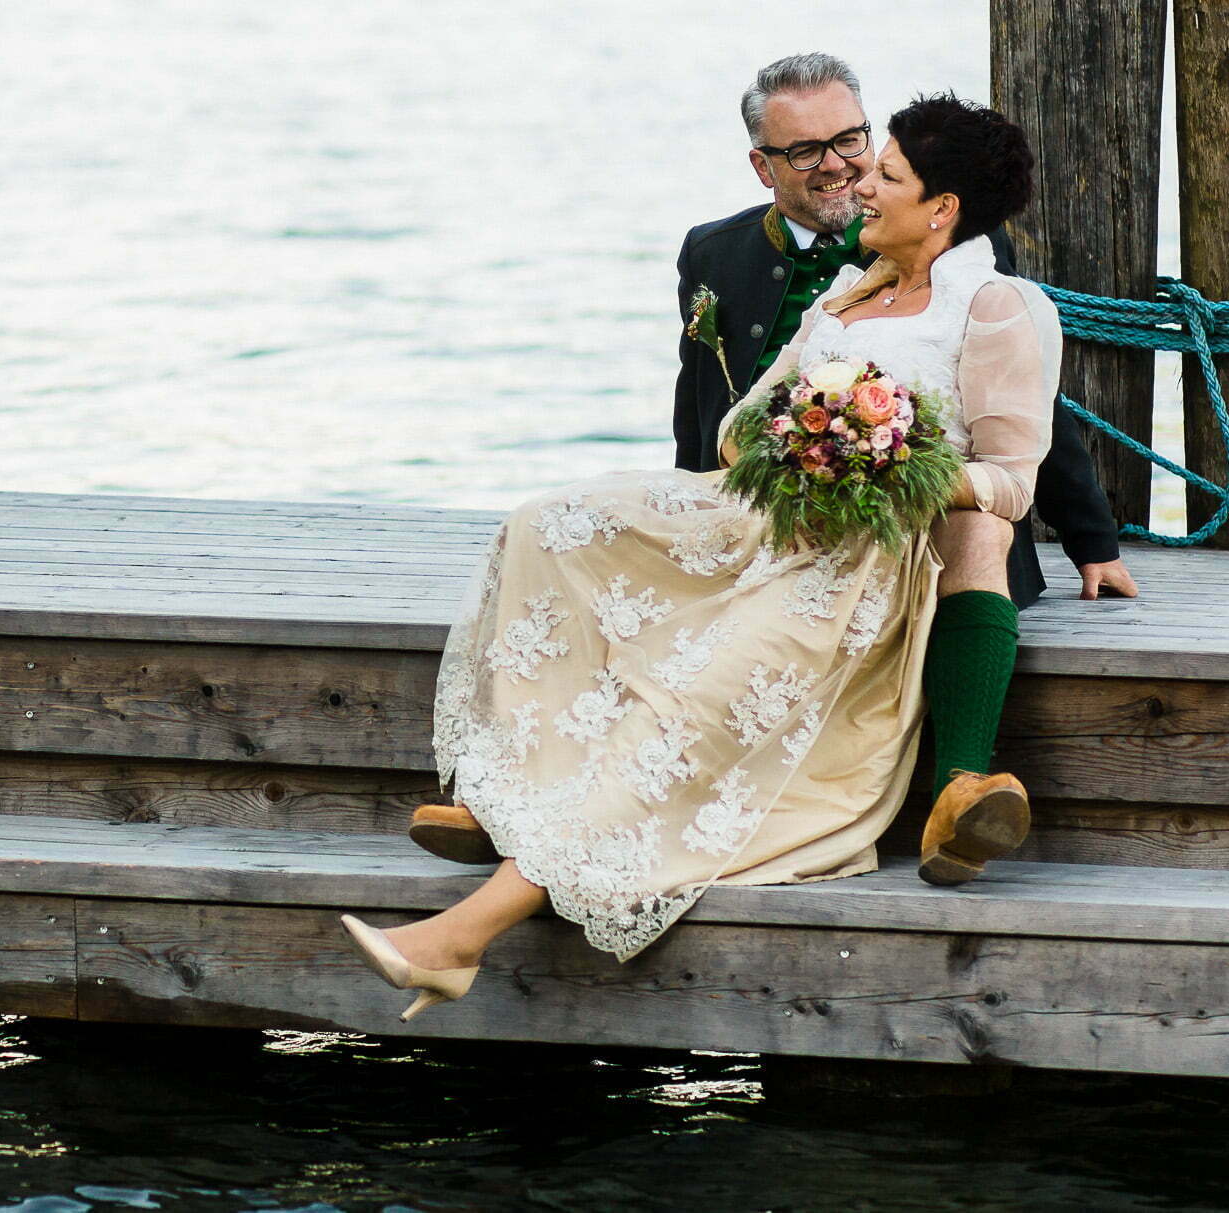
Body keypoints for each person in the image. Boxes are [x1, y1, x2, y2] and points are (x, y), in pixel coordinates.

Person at [344, 94, 1064, 1022]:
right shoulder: (851, 289)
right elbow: (735, 428)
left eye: (887, 174)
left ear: (944, 209)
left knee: (695, 697)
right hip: (762, 516)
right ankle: (509, 786)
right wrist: (803, 440)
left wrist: (889, 465)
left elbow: (1010, 479)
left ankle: (457, 939)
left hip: (863, 559)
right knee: (548, 523)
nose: (862, 185)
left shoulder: (999, 306)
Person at [407, 53, 1137, 887]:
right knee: (551, 524)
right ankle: (505, 788)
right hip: (769, 494)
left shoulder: (967, 257)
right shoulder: (718, 254)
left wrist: (1093, 541)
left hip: (919, 524)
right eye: (807, 150)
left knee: (967, 526)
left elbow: (1027, 410)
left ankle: (959, 787)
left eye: (855, 141)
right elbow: (707, 406)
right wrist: (691, 519)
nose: (842, 166)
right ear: (764, 164)